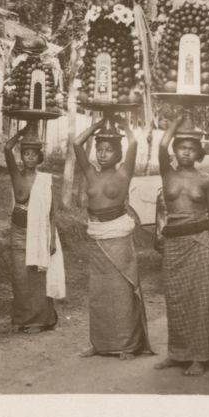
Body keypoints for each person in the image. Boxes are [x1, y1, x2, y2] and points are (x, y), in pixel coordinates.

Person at [152, 116, 209, 376]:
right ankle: (177, 354)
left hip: (199, 241)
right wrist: (179, 117)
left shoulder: (206, 180)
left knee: (199, 300)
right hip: (174, 242)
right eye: (181, 147)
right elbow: (161, 144)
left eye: (191, 147)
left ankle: (199, 357)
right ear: (175, 150)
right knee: (176, 300)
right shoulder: (167, 173)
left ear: (199, 152)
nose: (186, 151)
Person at [73, 115, 151, 360]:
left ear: (118, 154)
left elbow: (134, 144)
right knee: (98, 293)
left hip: (118, 234)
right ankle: (99, 343)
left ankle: (127, 345)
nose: (103, 154)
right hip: (97, 235)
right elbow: (76, 144)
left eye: (109, 150)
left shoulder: (124, 173)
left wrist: (126, 126)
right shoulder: (90, 173)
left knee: (121, 291)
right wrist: (96, 125)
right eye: (100, 149)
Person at [3, 126, 64, 334]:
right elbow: (6, 147)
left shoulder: (45, 179)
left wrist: (52, 239)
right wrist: (22, 131)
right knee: (20, 277)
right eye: (25, 153)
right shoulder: (16, 175)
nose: (29, 158)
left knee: (36, 276)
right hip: (18, 232)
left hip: (39, 232)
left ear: (39, 157)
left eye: (33, 154)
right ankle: (23, 318)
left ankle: (41, 320)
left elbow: (52, 211)